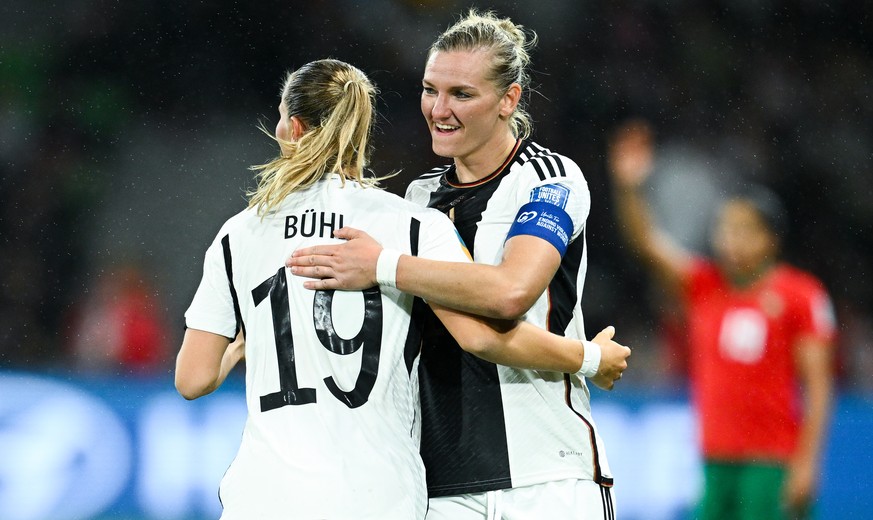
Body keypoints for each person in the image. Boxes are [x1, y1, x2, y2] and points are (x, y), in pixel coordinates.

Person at [175, 58, 629, 520]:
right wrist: (589, 357)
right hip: (376, 493)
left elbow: (191, 379)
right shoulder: (411, 223)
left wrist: (235, 352)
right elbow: (481, 335)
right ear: (362, 131)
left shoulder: (237, 234)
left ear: (292, 127)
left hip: (263, 496)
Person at [287, 11, 626, 519]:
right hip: (442, 484)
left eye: (462, 94)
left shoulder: (550, 180)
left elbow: (512, 293)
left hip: (546, 475)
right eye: (430, 90)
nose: (438, 109)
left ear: (509, 99)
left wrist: (384, 265)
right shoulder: (419, 197)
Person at [606, 118, 836, 520]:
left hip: (772, 461)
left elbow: (818, 386)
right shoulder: (705, 286)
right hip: (715, 458)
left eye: (745, 230)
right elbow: (647, 244)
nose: (731, 239)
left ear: (771, 239)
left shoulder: (801, 295)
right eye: (725, 228)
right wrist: (629, 187)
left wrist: (807, 462)